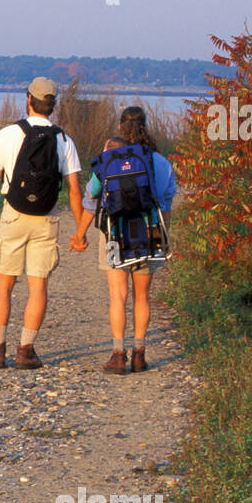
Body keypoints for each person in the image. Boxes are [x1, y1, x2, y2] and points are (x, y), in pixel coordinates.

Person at [0, 77, 86, 369]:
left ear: (28, 99)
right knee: (38, 285)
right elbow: (75, 190)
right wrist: (80, 231)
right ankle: (26, 351)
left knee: (4, 282)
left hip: (13, 214)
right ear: (53, 105)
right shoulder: (64, 140)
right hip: (47, 218)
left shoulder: (7, 134)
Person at [71, 106, 177, 374]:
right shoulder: (159, 162)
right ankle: (139, 355)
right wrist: (164, 236)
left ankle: (118, 355)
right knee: (142, 296)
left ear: (120, 128)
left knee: (118, 295)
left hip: (115, 234)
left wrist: (80, 233)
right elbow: (165, 203)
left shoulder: (107, 160)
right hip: (149, 233)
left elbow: (91, 201)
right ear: (145, 127)